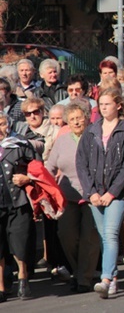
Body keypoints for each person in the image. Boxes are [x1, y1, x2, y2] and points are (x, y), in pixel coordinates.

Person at [75, 88, 124, 299]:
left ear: (118, 105)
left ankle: (105, 279)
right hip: (95, 193)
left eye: (107, 104)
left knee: (111, 234)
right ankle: (113, 276)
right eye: (100, 104)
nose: (103, 108)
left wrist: (112, 192)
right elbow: (81, 163)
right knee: (105, 237)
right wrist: (90, 192)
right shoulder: (91, 131)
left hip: (117, 193)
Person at [45, 99, 100, 294]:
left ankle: (84, 279)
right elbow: (49, 168)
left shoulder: (96, 136)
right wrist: (47, 191)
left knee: (90, 237)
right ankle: (79, 271)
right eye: (72, 119)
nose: (76, 122)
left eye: (79, 118)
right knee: (67, 235)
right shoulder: (62, 140)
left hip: (93, 195)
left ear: (86, 118)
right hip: (68, 195)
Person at [0, 113, 40, 301]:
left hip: (18, 201)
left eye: (2, 124)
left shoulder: (20, 144)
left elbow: (38, 168)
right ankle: (0, 287)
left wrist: (27, 178)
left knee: (20, 241)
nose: (1, 128)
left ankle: (23, 276)